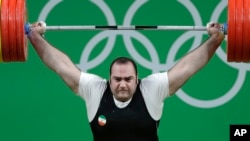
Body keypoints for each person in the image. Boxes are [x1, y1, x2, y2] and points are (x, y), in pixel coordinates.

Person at [27, 21, 224, 141]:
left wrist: (215, 40)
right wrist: (35, 37)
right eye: (117, 79)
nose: (122, 84)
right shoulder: (95, 89)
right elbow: (61, 66)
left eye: (128, 79)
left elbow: (187, 67)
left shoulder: (150, 89)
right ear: (109, 79)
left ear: (137, 80)